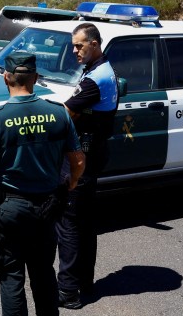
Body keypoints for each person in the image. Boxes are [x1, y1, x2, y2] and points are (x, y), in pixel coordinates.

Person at [0, 52, 85, 316]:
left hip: (9, 209)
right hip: (47, 207)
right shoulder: (58, 114)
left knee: (11, 278)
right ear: (36, 78)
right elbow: (77, 161)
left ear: (6, 77)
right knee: (43, 274)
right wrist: (71, 183)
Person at [56, 22, 119, 309]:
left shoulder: (97, 78)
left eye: (79, 45)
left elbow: (66, 115)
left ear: (94, 43)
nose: (74, 51)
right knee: (84, 220)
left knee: (69, 222)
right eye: (73, 46)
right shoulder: (98, 70)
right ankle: (84, 282)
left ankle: (68, 291)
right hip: (94, 152)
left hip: (84, 157)